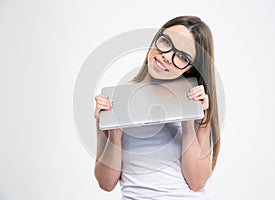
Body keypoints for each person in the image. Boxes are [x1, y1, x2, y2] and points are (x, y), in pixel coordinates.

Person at [93, 15, 220, 200]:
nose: (167, 57)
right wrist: (115, 131)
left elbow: (197, 182)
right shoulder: (116, 100)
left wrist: (190, 121)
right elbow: (106, 183)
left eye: (183, 57)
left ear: (190, 68)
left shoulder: (196, 104)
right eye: (166, 42)